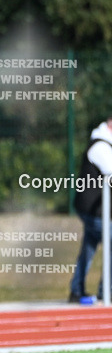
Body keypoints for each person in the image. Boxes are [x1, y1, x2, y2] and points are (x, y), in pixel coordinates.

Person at [70, 116, 112, 304]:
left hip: (97, 210)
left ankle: (76, 290)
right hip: (92, 209)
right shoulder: (100, 146)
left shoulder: (103, 143)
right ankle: (106, 291)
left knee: (89, 247)